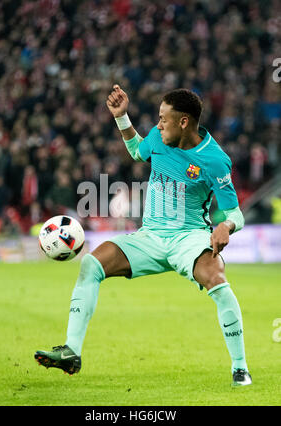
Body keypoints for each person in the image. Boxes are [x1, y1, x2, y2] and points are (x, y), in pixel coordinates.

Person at [35, 85, 252, 386]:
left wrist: (225, 226)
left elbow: (235, 213)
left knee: (217, 280)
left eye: (164, 119)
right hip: (149, 237)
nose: (159, 124)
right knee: (91, 264)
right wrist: (122, 118)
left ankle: (240, 368)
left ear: (184, 122)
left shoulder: (215, 160)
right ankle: (71, 350)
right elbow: (137, 149)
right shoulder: (159, 137)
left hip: (188, 238)